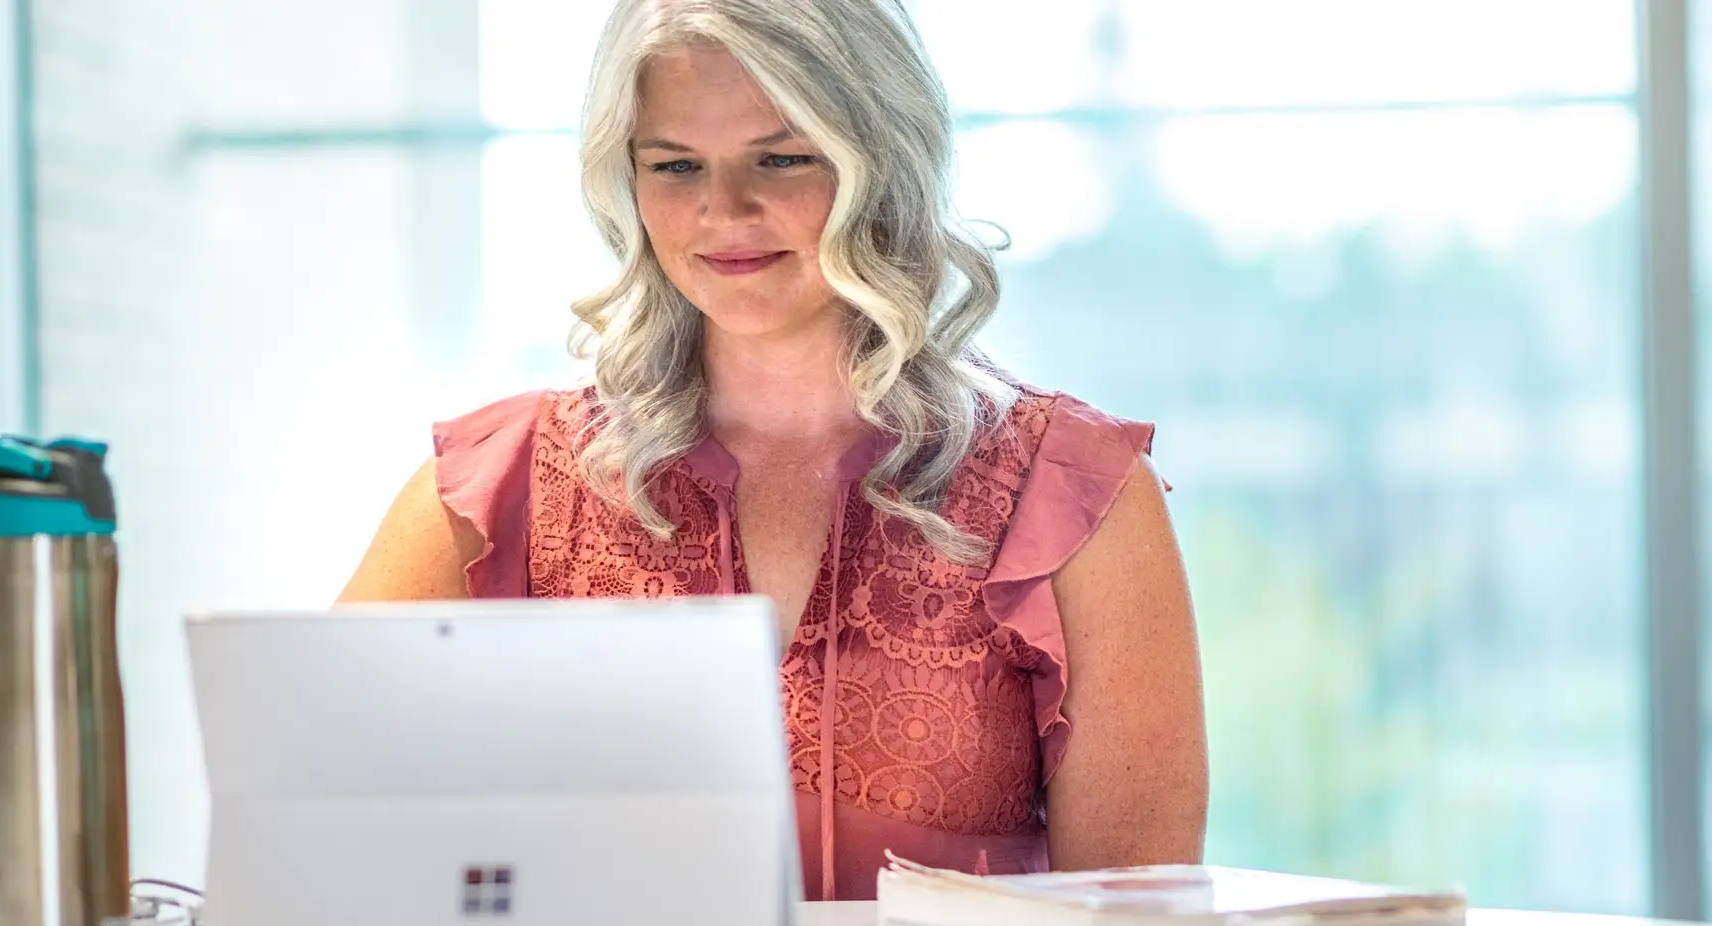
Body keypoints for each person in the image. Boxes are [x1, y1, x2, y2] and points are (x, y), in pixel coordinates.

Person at [339, 0, 1206, 902]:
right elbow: (314, 839)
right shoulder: (495, 489)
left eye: (782, 157)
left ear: (885, 156)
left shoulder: (1073, 497)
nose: (725, 210)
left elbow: (1140, 915)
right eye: (675, 165)